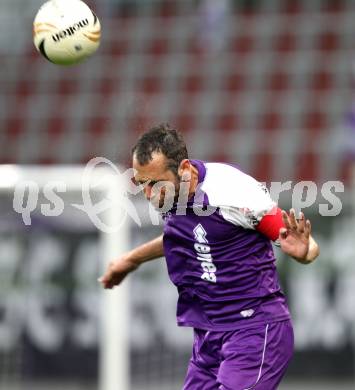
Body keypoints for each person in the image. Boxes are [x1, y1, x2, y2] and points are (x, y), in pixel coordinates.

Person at [99, 124, 320, 390]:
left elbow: (302, 245)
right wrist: (132, 259)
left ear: (184, 169)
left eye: (155, 184)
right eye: (141, 184)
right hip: (209, 336)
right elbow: (186, 235)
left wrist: (305, 252)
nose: (148, 194)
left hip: (254, 330)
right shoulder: (170, 194)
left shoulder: (230, 192)